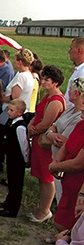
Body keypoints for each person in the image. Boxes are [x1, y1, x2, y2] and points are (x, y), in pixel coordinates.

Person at [28, 65, 66, 223]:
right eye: (42, 78)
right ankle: (41, 208)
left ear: (55, 83)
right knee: (41, 175)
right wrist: (31, 123)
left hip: (44, 142)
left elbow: (45, 123)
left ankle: (44, 210)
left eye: (47, 80)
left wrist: (33, 129)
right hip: (38, 139)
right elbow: (38, 115)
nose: (43, 82)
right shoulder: (47, 97)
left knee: (46, 176)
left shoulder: (56, 101)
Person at [49, 78, 84, 233]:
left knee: (71, 225)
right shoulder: (80, 123)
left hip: (78, 184)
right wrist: (57, 161)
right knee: (62, 220)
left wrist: (55, 166)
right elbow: (68, 144)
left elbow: (78, 163)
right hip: (67, 180)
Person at [0, 99, 28, 218]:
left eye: (11, 110)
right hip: (11, 157)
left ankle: (12, 209)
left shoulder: (20, 127)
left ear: (20, 113)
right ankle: (8, 202)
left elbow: (24, 145)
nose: (8, 112)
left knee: (16, 184)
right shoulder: (13, 123)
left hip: (17, 159)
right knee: (11, 181)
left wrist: (26, 159)